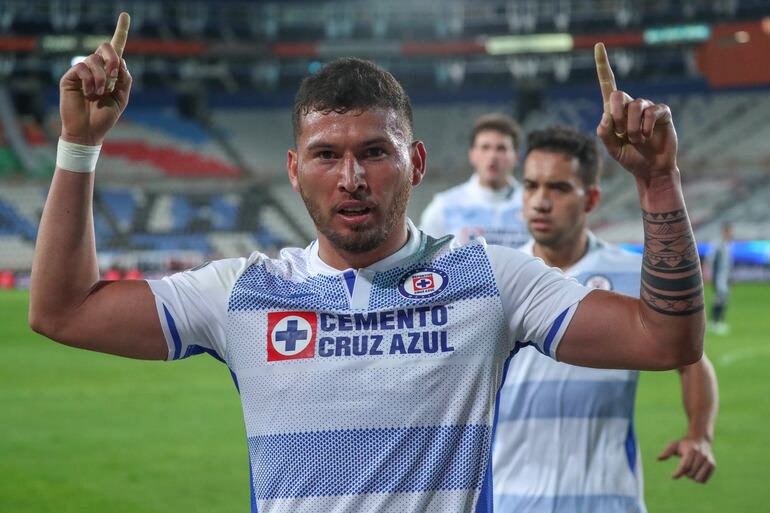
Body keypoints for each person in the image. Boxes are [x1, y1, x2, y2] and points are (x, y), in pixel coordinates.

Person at [28, 14, 705, 513]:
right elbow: (62, 310)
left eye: (375, 152)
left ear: (414, 162)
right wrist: (78, 146)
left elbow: (665, 338)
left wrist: (657, 184)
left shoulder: (490, 279)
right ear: (295, 171)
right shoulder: (242, 292)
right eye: (327, 154)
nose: (351, 176)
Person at [492, 126, 718, 513]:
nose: (541, 202)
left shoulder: (636, 274)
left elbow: (692, 362)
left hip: (608, 501)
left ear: (591, 198)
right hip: (510, 501)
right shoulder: (496, 278)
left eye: (558, 188)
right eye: (531, 186)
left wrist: (700, 434)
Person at [419, 113, 529, 247]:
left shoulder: (531, 204)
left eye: (501, 149)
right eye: (485, 147)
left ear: (516, 157)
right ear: (472, 154)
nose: (492, 156)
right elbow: (425, 261)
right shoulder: (445, 206)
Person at [708, 222, 733, 335]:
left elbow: (727, 264)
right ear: (724, 232)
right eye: (728, 231)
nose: (730, 233)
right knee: (719, 299)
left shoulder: (727, 245)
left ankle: (716, 322)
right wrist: (713, 278)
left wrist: (730, 277)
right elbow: (713, 262)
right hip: (719, 277)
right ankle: (716, 322)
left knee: (722, 299)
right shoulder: (718, 245)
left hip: (724, 277)